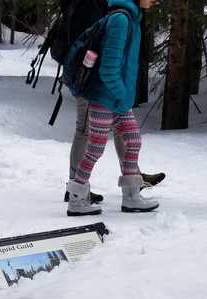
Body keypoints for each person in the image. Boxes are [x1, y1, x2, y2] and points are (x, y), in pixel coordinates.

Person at [65, 0, 159, 217]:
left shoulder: (130, 18)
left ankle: (131, 196)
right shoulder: (120, 20)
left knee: (133, 140)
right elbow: (108, 69)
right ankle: (77, 199)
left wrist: (122, 97)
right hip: (104, 98)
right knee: (95, 148)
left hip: (116, 99)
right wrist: (122, 95)